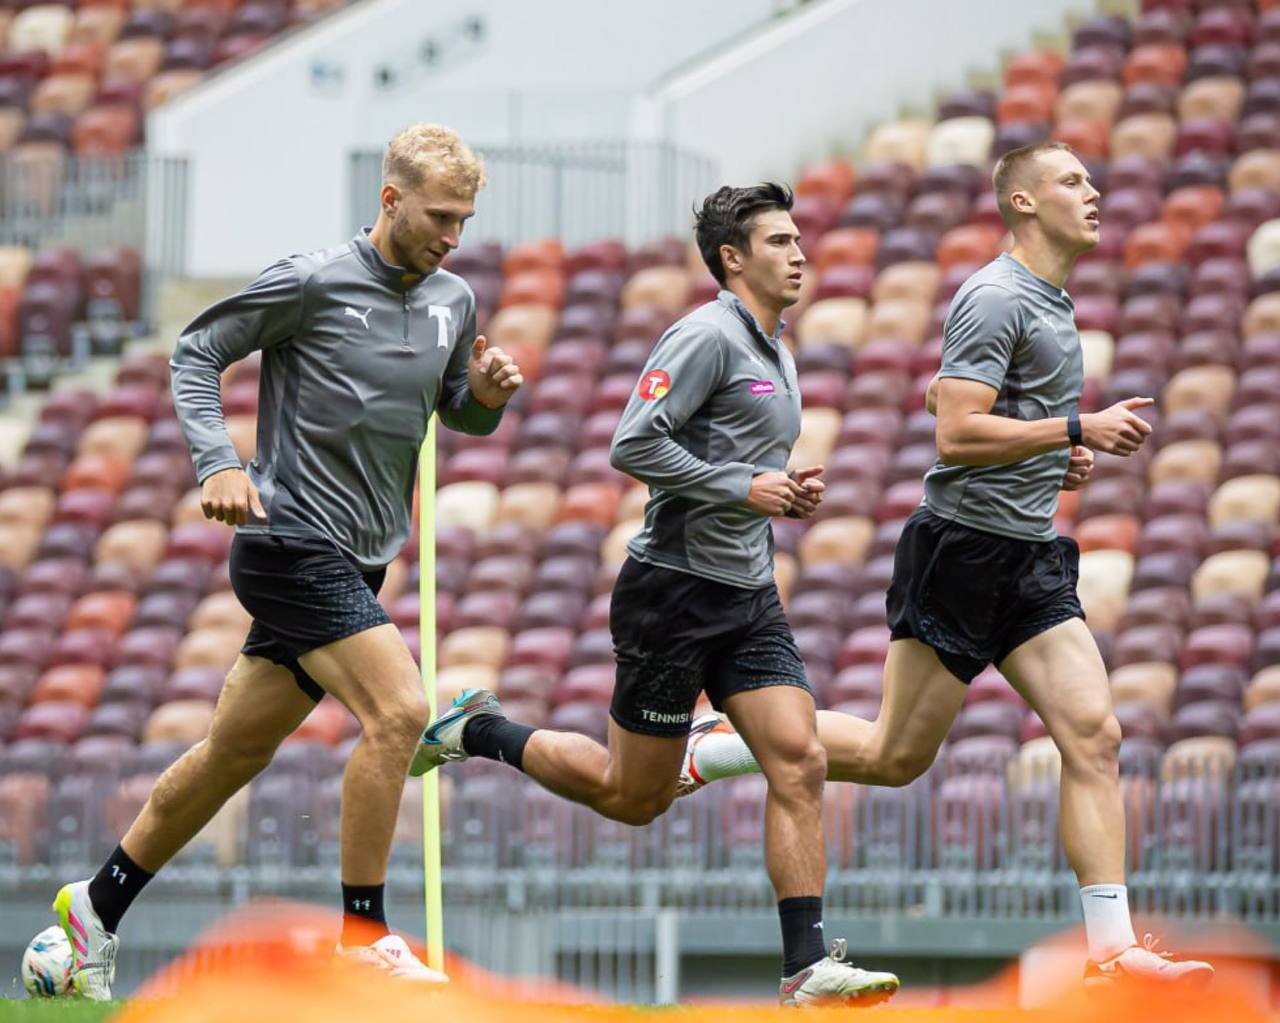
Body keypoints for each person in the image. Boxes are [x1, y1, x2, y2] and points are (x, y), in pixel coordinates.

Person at [677, 142, 1216, 989]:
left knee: (1095, 734)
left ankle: (1112, 951)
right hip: (961, 552)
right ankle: (722, 741)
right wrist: (1075, 429)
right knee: (894, 757)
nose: (1094, 191)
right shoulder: (996, 293)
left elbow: (951, 393)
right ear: (1023, 202)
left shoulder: (1051, 299)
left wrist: (1052, 457)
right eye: (1072, 180)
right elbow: (955, 430)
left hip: (1030, 556)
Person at [51, 123, 524, 1000]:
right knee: (401, 710)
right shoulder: (312, 280)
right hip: (288, 542)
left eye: (465, 219)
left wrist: (485, 399)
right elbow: (196, 352)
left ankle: (93, 909)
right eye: (440, 216)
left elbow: (455, 407)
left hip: (361, 559)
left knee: (232, 752)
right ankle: (362, 937)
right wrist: (217, 462)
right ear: (391, 200)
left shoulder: (454, 300)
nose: (454, 236)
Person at [410, 183, 900, 1006]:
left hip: (748, 594)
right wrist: (743, 486)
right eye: (780, 242)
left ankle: (806, 967)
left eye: (798, 239)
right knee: (630, 796)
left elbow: (735, 464)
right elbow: (632, 443)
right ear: (732, 259)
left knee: (801, 757)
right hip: (671, 593)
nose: (799, 254)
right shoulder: (704, 334)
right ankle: (477, 728)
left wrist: (779, 490)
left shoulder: (777, 349)